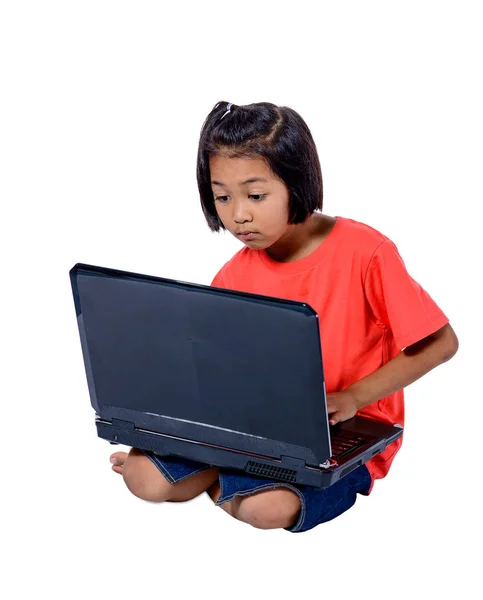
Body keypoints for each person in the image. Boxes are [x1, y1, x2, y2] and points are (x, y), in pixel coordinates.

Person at [109, 101, 459, 533]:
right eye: (222, 196)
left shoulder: (366, 252)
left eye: (256, 195)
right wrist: (169, 430)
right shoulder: (233, 273)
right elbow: (219, 369)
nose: (238, 214)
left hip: (343, 429)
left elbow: (441, 342)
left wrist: (353, 398)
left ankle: (236, 487)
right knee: (142, 481)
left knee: (265, 512)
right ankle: (232, 480)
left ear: (297, 183)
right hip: (257, 426)